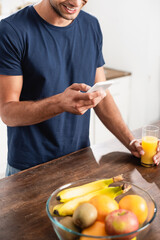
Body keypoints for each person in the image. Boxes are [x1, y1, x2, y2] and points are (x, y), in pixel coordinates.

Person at [0, 0, 159, 177]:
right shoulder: (11, 30)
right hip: (28, 171)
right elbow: (8, 113)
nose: (76, 2)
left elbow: (101, 96)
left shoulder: (91, 25)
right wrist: (59, 103)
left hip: (80, 163)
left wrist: (132, 143)